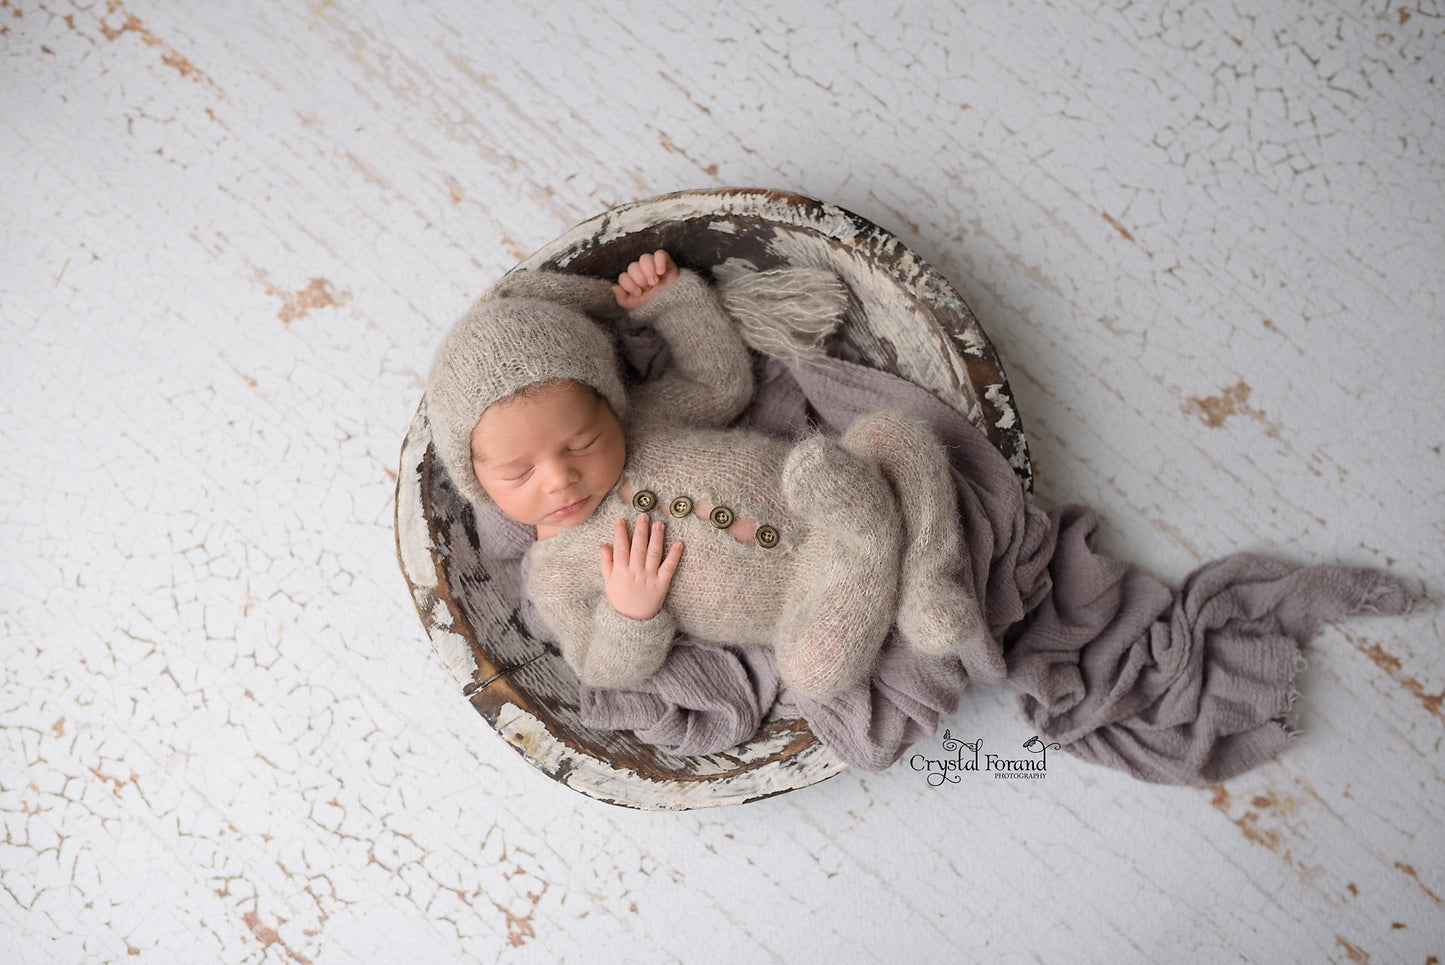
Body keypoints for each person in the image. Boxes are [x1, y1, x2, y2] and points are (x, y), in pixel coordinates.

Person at [425, 250, 1002, 702]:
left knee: (894, 435)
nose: (559, 479)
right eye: (518, 473)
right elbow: (598, 667)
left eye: (583, 442)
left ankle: (926, 577)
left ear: (612, 406)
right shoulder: (553, 577)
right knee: (814, 674)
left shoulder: (649, 420)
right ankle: (874, 539)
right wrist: (631, 613)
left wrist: (671, 303)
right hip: (806, 600)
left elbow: (722, 383)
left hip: (819, 495)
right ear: (479, 485)